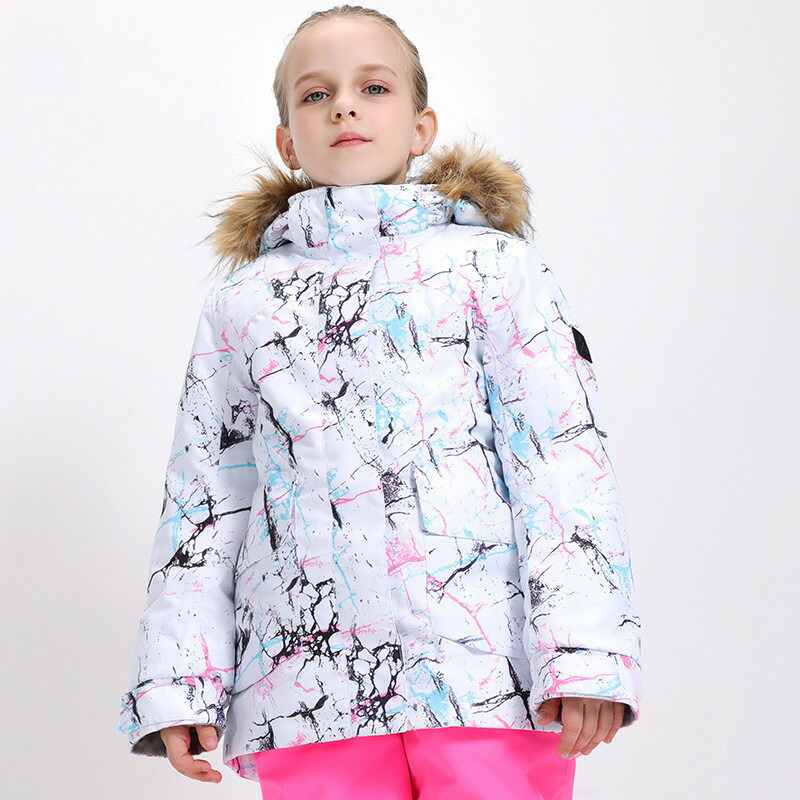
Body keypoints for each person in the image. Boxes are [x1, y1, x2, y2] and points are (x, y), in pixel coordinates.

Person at [117, 5, 642, 799]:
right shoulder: (244, 304)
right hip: (306, 689)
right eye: (316, 94)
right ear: (288, 142)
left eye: (373, 87)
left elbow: (562, 463)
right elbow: (206, 499)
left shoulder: (495, 269)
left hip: (484, 676)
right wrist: (180, 684)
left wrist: (585, 654)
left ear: (422, 127)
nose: (344, 107)